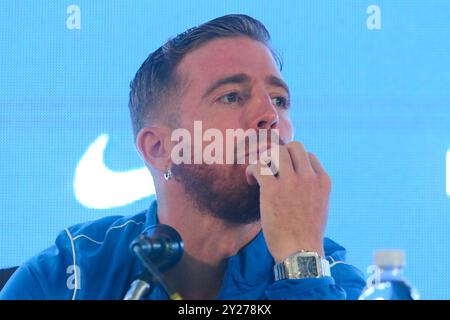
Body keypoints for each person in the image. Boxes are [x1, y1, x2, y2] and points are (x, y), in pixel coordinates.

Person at [0, 14, 365, 300]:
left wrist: (301, 264)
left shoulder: (334, 278)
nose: (269, 115)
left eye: (280, 100)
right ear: (159, 149)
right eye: (232, 96)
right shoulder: (70, 276)